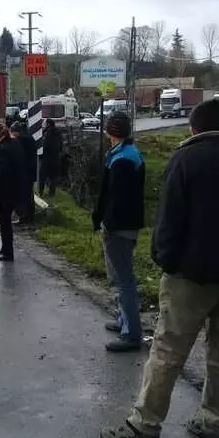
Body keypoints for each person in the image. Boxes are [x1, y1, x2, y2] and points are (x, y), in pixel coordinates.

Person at [101, 100, 219, 438]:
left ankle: (145, 425)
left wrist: (164, 260)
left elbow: (169, 220)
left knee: (168, 350)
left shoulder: (185, 159)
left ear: (193, 127)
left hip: (189, 276)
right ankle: (216, 422)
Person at [92, 111, 145, 353]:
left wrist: (106, 224)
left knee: (123, 281)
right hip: (126, 224)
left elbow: (116, 198)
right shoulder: (127, 154)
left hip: (119, 227)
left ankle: (131, 334)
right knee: (119, 277)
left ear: (109, 133)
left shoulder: (122, 159)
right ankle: (125, 321)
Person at [0, 123, 26, 261]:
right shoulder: (15, 144)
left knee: (4, 223)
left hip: (4, 191)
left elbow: (1, 173)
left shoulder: (2, 149)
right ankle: (5, 248)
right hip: (16, 188)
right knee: (6, 223)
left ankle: (7, 252)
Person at [10, 121, 37, 224]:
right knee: (29, 195)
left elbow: (18, 158)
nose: (12, 135)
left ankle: (24, 218)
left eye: (13, 133)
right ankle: (30, 217)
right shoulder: (30, 138)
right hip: (30, 172)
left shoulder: (20, 141)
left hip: (23, 172)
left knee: (22, 196)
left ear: (17, 132)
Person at [39, 119, 62, 197]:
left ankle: (41, 192)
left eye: (45, 124)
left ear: (48, 124)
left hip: (46, 158)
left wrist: (40, 156)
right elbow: (61, 146)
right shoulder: (58, 133)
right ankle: (52, 193)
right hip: (55, 158)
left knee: (42, 177)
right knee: (53, 177)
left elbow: (44, 146)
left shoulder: (47, 134)